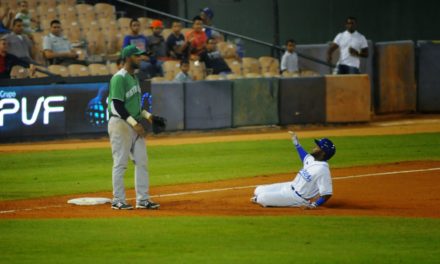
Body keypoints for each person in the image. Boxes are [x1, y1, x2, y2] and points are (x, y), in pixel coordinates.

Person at [107, 44, 160, 210]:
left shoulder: (134, 78)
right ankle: (118, 200)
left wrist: (149, 116)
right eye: (137, 56)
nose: (140, 58)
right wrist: (134, 123)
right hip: (120, 124)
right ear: (128, 57)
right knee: (121, 163)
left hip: (132, 124)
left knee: (142, 161)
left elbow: (135, 107)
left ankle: (143, 199)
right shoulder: (119, 78)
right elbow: (117, 105)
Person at [251, 131, 336, 208]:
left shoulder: (322, 170)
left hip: (297, 198)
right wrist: (296, 143)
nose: (314, 147)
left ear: (323, 153)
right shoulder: (312, 159)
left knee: (261, 198)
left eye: (318, 146)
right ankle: (269, 199)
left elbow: (327, 193)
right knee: (258, 189)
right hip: (289, 186)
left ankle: (276, 201)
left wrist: (314, 205)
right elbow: (304, 156)